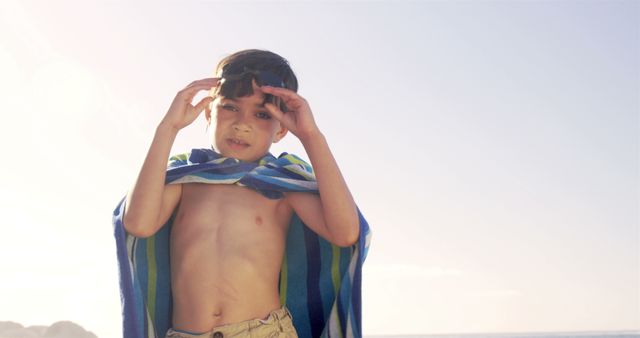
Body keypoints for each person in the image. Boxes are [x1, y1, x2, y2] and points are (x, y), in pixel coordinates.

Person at [113, 49, 371, 338]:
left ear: (282, 129)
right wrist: (168, 127)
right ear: (209, 111)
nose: (242, 124)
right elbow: (137, 223)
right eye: (231, 107)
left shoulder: (281, 184)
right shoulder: (186, 178)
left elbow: (346, 232)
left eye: (262, 114)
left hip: (264, 332)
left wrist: (311, 136)